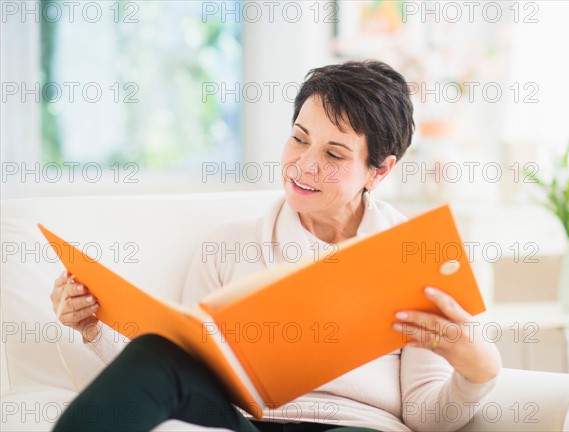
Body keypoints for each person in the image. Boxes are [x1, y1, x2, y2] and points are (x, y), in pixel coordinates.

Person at [50, 60, 501, 431]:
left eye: (334, 155)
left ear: (378, 172)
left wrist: (476, 373)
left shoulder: (413, 259)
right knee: (160, 353)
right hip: (246, 424)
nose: (304, 166)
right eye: (299, 139)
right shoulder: (227, 246)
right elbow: (183, 379)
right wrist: (92, 326)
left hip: (357, 427)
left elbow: (425, 415)